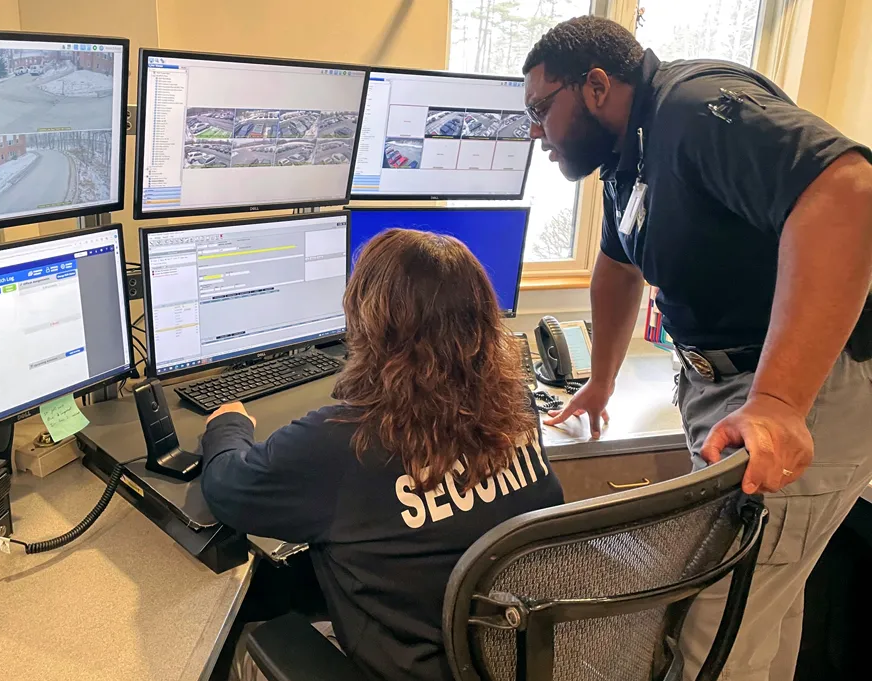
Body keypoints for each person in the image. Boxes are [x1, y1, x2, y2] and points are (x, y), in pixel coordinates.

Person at [522, 14, 872, 681]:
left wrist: (775, 402)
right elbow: (618, 266)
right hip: (725, 392)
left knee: (712, 639)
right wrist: (600, 381)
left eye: (541, 108)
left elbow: (847, 189)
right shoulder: (631, 155)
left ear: (596, 85)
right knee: (761, 611)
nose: (534, 132)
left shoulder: (692, 109)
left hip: (795, 392)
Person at [199, 228, 564, 681]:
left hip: (416, 665)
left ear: (367, 321)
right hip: (512, 657)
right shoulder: (518, 410)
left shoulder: (342, 441)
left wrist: (227, 423)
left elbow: (226, 487)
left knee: (239, 645)